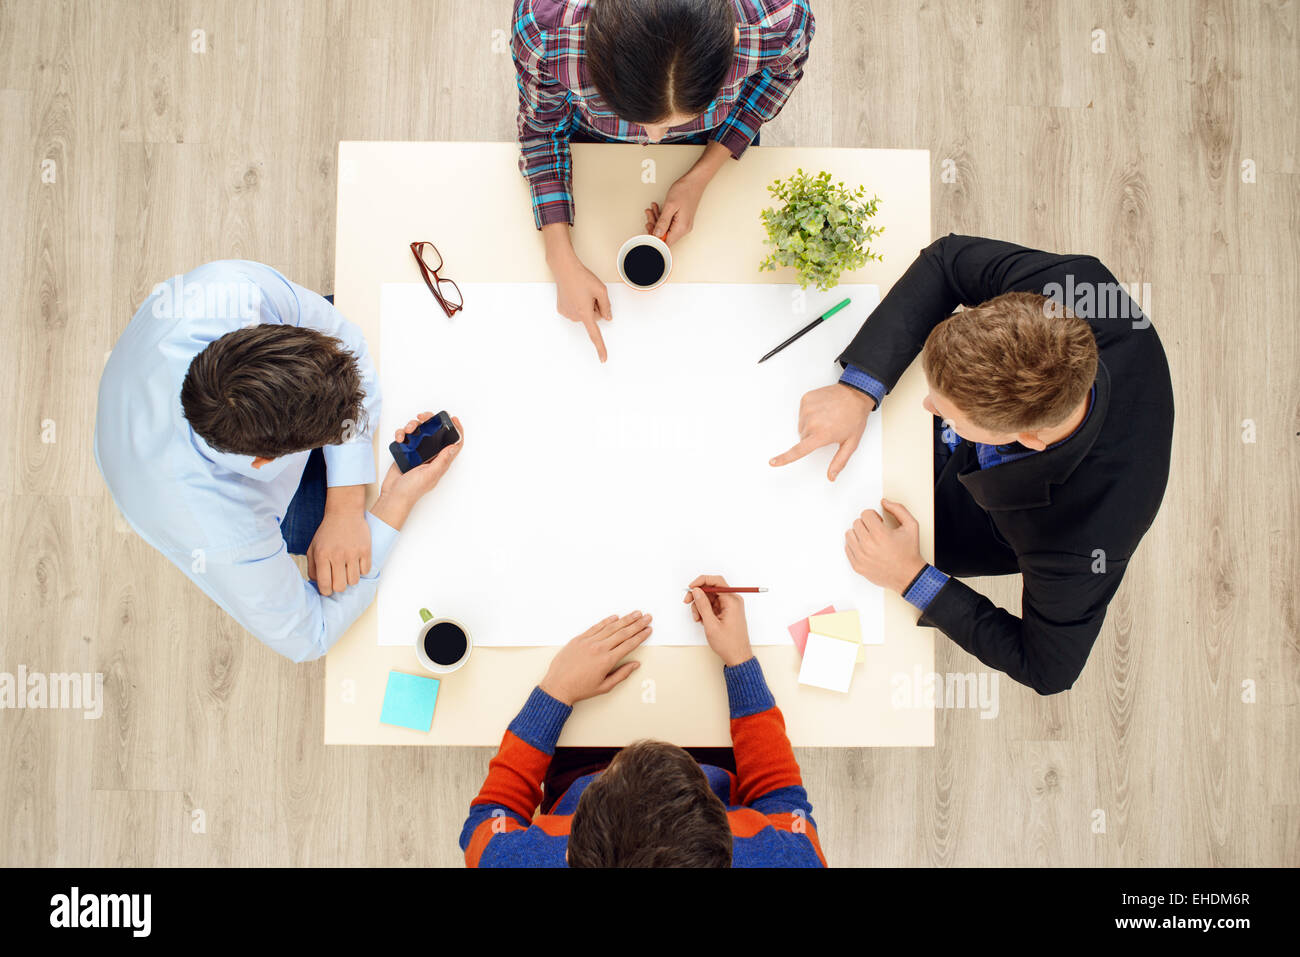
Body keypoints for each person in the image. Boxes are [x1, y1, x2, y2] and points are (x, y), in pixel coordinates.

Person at [771, 235, 1174, 695]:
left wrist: (912, 576)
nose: (925, 405)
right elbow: (946, 262)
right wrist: (860, 388)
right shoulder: (1077, 290)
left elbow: (1049, 670)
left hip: (975, 520)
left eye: (947, 413)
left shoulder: (1083, 542)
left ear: (1027, 437)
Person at [94, 260, 463, 662]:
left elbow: (347, 343)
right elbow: (310, 637)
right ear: (266, 462)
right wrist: (395, 499)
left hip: (153, 401)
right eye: (337, 431)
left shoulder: (234, 292)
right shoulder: (222, 531)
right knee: (334, 563)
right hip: (158, 480)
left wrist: (346, 506)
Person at [511, 0, 815, 361]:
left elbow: (777, 78)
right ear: (593, 48)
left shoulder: (779, 21)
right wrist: (560, 258)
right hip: (589, 140)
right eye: (637, 115)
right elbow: (542, 130)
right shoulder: (546, 31)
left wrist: (701, 174)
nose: (655, 139)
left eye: (677, 119)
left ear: (734, 41)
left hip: (716, 137)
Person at [460, 576, 826, 867]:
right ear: (726, 842)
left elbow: (492, 814)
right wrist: (741, 663)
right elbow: (779, 796)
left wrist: (555, 691)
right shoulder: (791, 859)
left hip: (573, 766)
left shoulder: (509, 861)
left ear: (568, 854)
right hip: (721, 760)